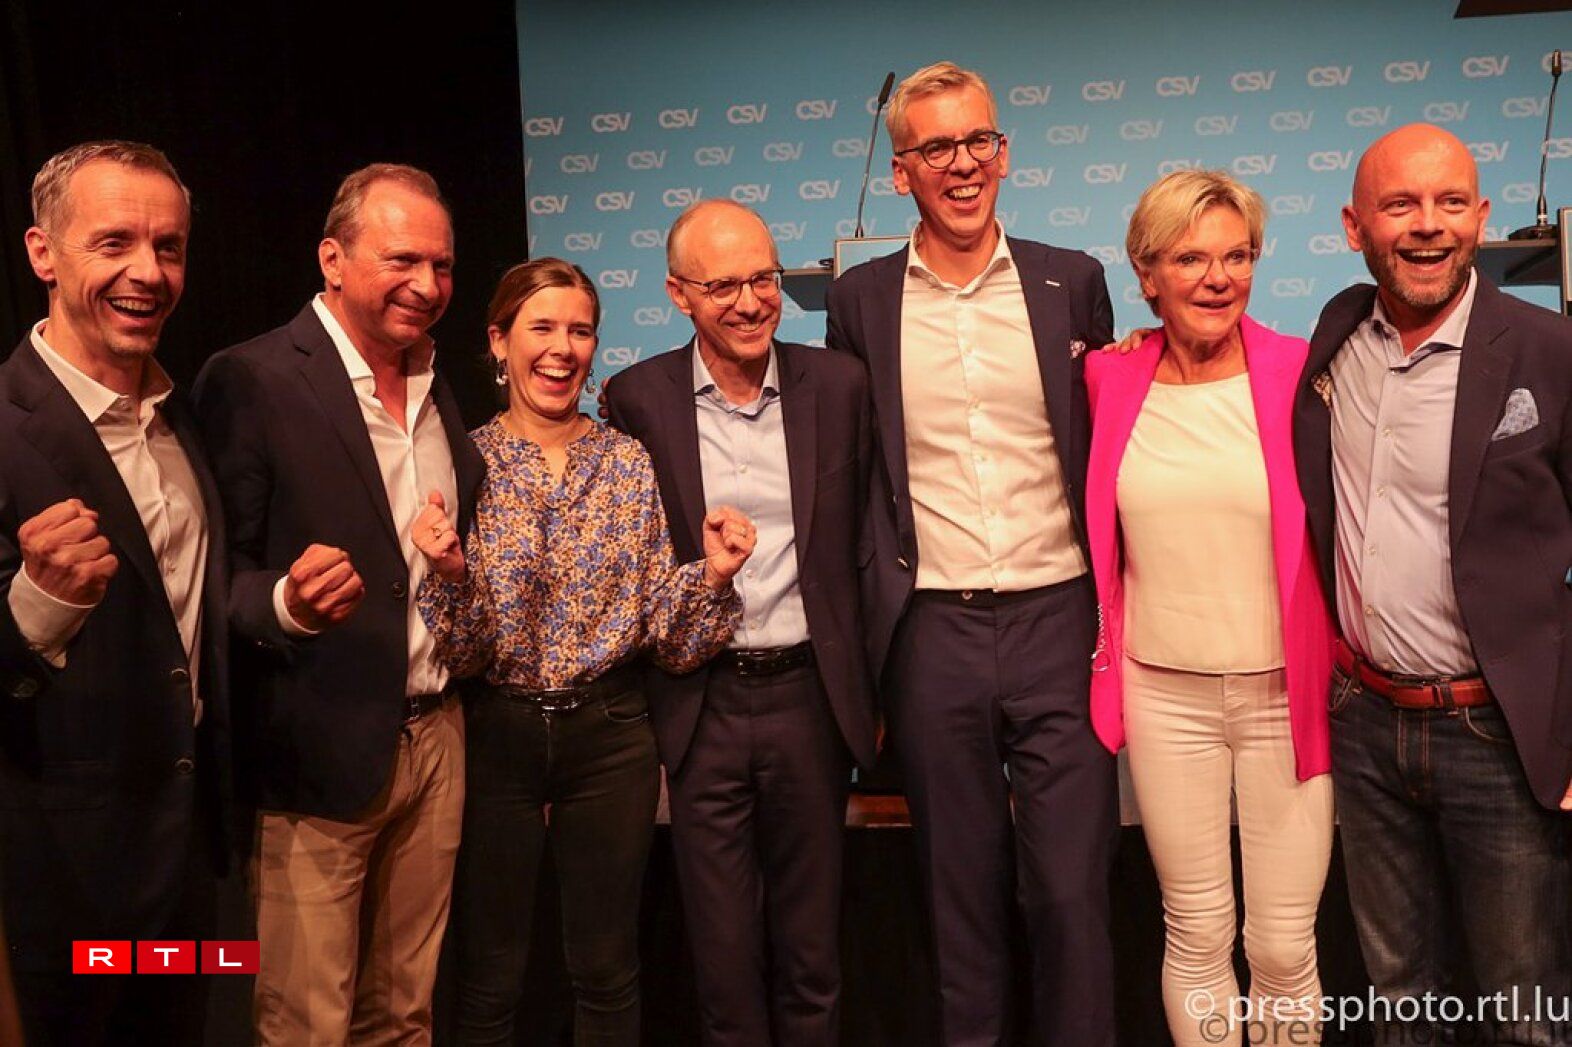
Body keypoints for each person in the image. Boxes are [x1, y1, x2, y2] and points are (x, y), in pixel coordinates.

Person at [825, 61, 1118, 1047]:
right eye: (937, 148)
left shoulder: (1070, 280)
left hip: (1061, 618)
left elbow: (1106, 447)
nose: (963, 165)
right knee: (959, 901)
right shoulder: (859, 299)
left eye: (978, 142)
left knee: (1073, 896)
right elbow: (857, 471)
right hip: (931, 632)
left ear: (1005, 152)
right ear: (901, 170)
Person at [412, 256, 754, 1046]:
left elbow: (664, 638)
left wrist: (713, 575)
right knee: (490, 972)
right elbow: (457, 655)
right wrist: (453, 576)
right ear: (498, 342)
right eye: (542, 328)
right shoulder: (462, 463)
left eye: (580, 329)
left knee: (606, 967)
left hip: (610, 737)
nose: (563, 347)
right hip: (495, 735)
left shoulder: (627, 462)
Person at [192, 163, 485, 1045]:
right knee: (308, 1023)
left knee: (404, 1014)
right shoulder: (251, 378)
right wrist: (283, 603)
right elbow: (215, 578)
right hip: (314, 753)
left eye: (441, 266)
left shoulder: (440, 385)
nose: (427, 285)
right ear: (332, 257)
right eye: (402, 260)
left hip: (435, 740)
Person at [1294, 123, 1572, 1044]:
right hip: (1365, 726)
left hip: (1497, 734)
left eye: (1451, 202)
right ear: (1353, 225)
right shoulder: (1336, 338)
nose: (1428, 226)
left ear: (1483, 216)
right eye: (1401, 204)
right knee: (1401, 1002)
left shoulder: (1548, 351)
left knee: (1523, 1010)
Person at [603, 200, 878, 1047]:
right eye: (724, 284)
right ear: (678, 294)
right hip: (701, 704)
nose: (752, 300)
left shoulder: (839, 385)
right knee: (722, 966)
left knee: (811, 960)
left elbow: (870, 540)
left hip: (809, 701)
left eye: (763, 277)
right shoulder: (636, 396)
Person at [1086, 170, 1334, 1046]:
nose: (1217, 277)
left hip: (1283, 698)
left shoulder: (1305, 373)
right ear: (1146, 273)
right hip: (1164, 699)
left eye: (1237, 256)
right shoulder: (1107, 381)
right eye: (1190, 257)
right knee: (1194, 932)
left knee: (1281, 943)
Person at [1, 140, 230, 1046]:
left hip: (187, 867)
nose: (149, 272)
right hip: (59, 874)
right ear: (42, 252)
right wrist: (38, 603)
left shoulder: (184, 419)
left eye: (168, 246)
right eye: (115, 243)